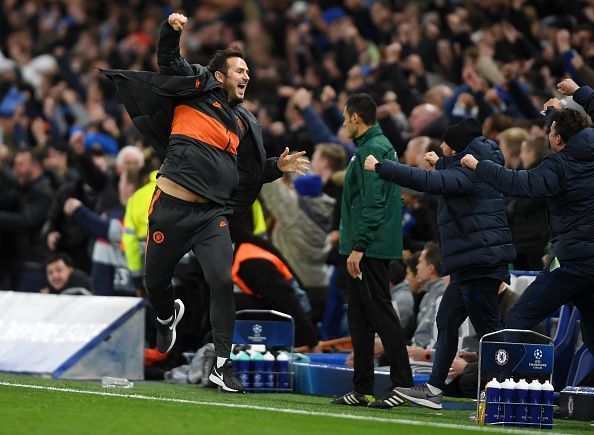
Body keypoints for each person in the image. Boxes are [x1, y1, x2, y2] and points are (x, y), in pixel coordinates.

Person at [102, 13, 306, 393]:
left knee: (221, 282)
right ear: (220, 74)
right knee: (156, 282)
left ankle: (222, 365)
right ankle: (166, 317)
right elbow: (168, 61)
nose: (247, 76)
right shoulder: (195, 88)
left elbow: (251, 172)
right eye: (240, 70)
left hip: (211, 215)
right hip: (171, 208)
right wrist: (171, 31)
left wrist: (278, 165)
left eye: (249, 71)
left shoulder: (245, 123)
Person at [364, 117, 515, 409]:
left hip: (481, 261)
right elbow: (450, 175)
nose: (440, 146)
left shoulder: (471, 171)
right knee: (446, 321)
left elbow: (431, 182)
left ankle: (505, 392)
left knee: (489, 331)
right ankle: (434, 389)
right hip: (468, 263)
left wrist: (383, 168)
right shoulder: (472, 164)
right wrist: (441, 163)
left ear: (455, 148)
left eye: (445, 144)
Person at [460, 79, 594, 356]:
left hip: (571, 261)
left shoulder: (559, 165)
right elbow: (569, 132)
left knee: (519, 317)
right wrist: (578, 94)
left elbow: (520, 183)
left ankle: (516, 390)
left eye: (551, 131)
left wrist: (478, 166)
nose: (548, 136)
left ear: (557, 139)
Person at [331, 93, 413, 408]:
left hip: (370, 249)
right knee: (360, 317)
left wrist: (359, 247)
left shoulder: (374, 149)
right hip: (363, 246)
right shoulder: (368, 147)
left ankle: (402, 385)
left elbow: (374, 203)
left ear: (356, 118)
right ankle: (362, 387)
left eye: (344, 117)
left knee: (381, 314)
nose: (342, 123)